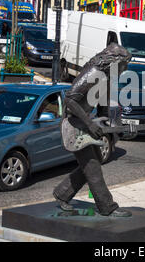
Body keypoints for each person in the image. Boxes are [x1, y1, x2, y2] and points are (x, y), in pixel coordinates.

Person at [53, 43, 132, 218]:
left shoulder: (106, 77)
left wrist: (109, 125)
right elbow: (70, 100)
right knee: (93, 168)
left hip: (83, 123)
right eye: (124, 65)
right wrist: (90, 124)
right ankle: (107, 207)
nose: (125, 69)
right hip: (74, 125)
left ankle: (62, 193)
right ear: (114, 62)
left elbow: (103, 106)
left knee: (89, 166)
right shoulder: (94, 73)